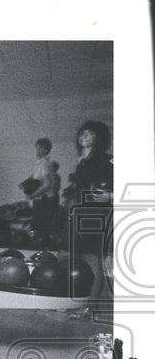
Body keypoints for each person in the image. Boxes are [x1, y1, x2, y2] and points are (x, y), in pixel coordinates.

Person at [66, 120, 113, 301]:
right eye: (82, 132)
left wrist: (109, 197)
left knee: (94, 261)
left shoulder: (106, 160)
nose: (84, 135)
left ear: (99, 137)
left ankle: (89, 306)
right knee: (76, 258)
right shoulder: (82, 163)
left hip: (95, 215)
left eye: (90, 133)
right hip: (79, 214)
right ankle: (75, 301)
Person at [23, 137, 60, 243]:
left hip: (45, 200)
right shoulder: (40, 163)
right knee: (38, 228)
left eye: (39, 148)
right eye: (36, 148)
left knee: (39, 228)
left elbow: (47, 185)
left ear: (45, 150)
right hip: (41, 199)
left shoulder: (44, 163)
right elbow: (36, 179)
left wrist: (32, 195)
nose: (37, 151)